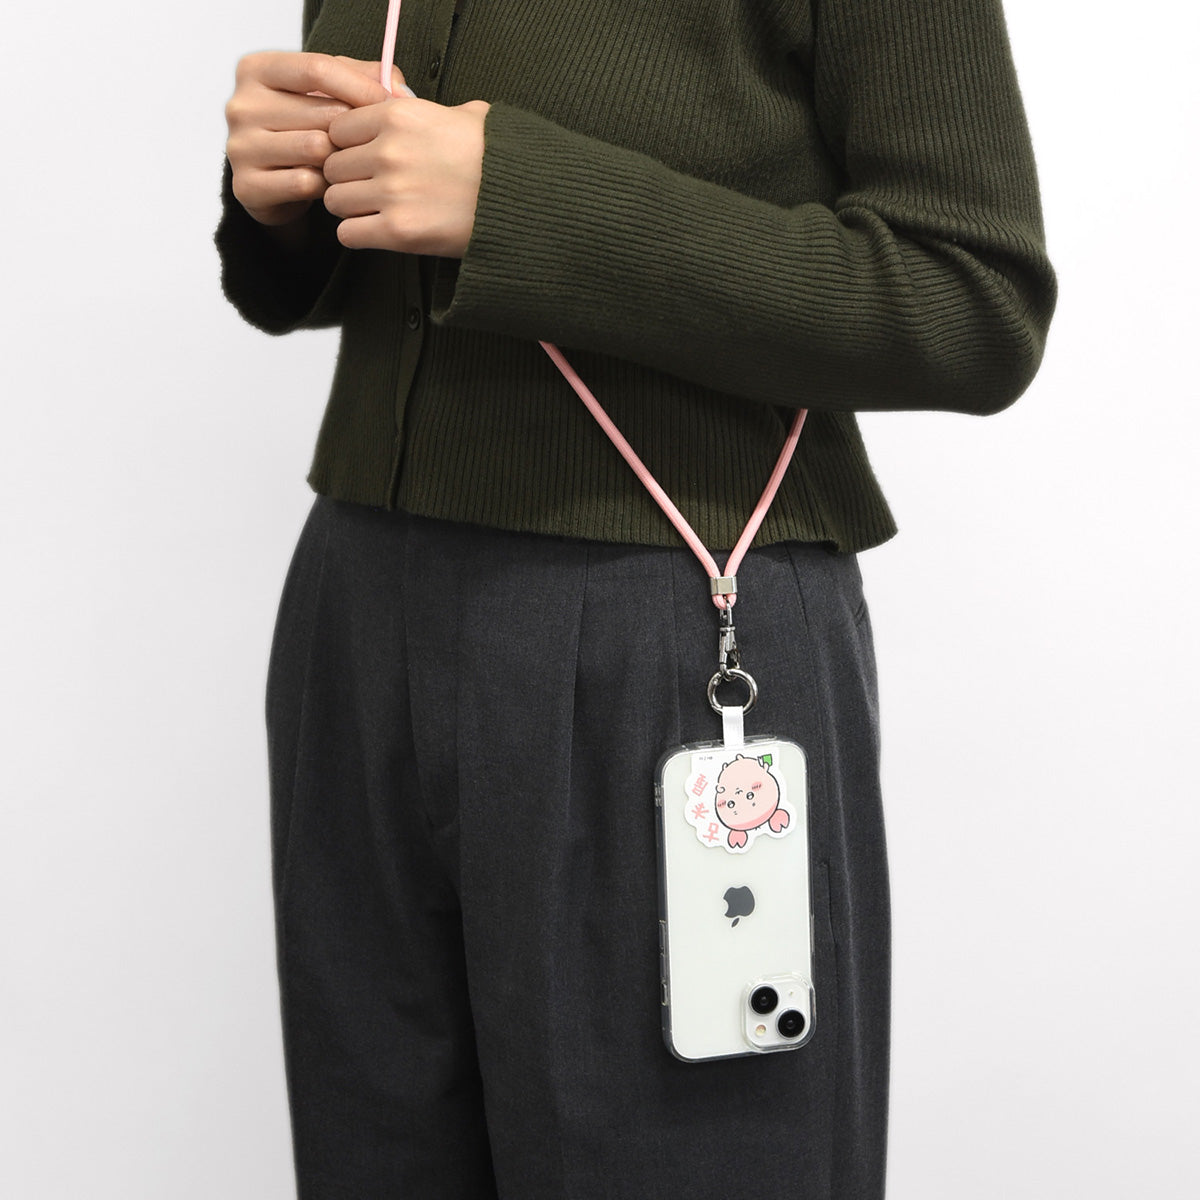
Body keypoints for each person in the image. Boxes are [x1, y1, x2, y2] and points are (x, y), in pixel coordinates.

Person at [216, 1, 1056, 1196]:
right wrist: (284, 199)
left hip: (663, 628)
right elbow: (357, 264)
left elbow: (973, 299)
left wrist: (523, 202)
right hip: (356, 610)